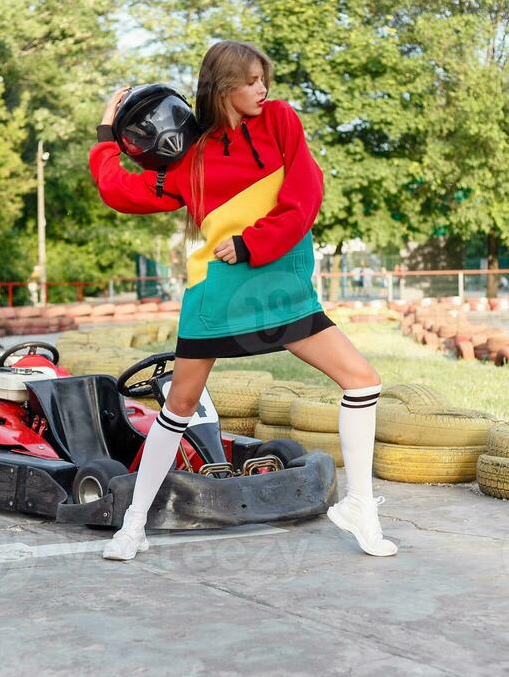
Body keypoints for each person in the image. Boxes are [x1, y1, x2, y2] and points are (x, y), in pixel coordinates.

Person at [89, 40, 395, 561]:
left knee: (362, 380)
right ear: (223, 86)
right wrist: (104, 135)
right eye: (251, 81)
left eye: (263, 79)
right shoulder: (189, 160)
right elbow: (121, 192)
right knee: (180, 406)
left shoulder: (279, 122)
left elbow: (306, 194)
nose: (263, 88)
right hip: (218, 294)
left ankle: (361, 505)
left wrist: (255, 242)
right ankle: (133, 524)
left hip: (282, 286)